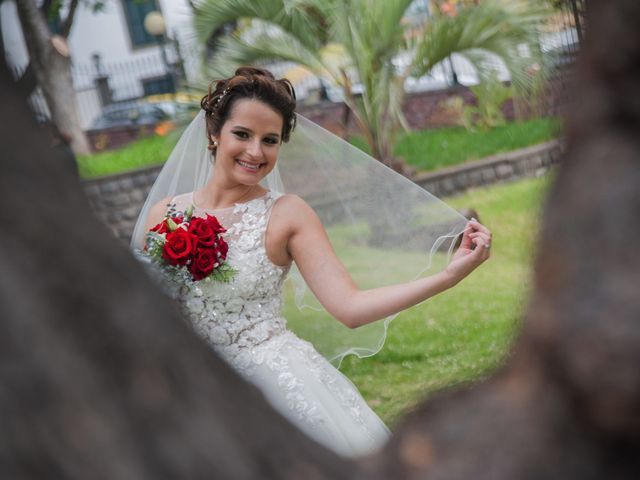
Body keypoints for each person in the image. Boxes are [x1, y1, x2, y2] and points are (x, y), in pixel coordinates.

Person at [132, 67, 491, 457]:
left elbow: (350, 308)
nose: (256, 152)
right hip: (194, 391)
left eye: (270, 140)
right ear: (214, 133)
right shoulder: (163, 214)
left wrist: (447, 277)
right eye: (242, 134)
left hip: (276, 385)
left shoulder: (288, 215)